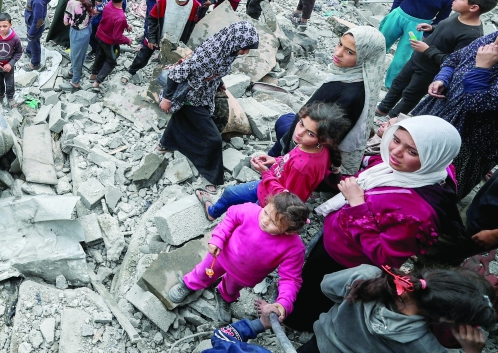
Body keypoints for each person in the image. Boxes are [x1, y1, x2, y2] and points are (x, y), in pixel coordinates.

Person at [283, 116, 463, 332]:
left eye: (412, 152)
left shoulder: (418, 213)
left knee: (316, 291)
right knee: (309, 276)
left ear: (435, 157)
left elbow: (385, 257)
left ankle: (298, 322)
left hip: (344, 260)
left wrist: (357, 203)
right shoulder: (416, 171)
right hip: (337, 238)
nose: (395, 152)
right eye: (396, 140)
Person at [168, 193, 308, 323]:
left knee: (231, 288)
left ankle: (224, 296)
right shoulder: (250, 211)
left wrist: (283, 303)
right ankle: (189, 284)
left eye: (274, 223)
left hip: (245, 276)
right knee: (203, 272)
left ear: (289, 231)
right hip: (221, 256)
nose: (265, 220)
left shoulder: (294, 248)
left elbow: (290, 278)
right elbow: (230, 217)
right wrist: (217, 238)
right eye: (265, 212)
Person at [301, 264, 495, 353]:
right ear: (446, 320)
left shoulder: (367, 275)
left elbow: (327, 287)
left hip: (316, 346)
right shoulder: (426, 347)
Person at [156, 21, 260, 186]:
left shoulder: (228, 49)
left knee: (183, 118)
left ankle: (165, 144)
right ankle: (211, 177)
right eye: (245, 47)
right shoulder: (209, 54)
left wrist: (219, 82)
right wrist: (167, 99)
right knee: (213, 139)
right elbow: (177, 73)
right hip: (191, 96)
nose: (245, 52)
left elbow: (214, 71)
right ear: (236, 41)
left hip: (205, 93)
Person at [272, 28, 386, 177]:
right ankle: (275, 158)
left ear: (365, 57)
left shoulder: (351, 96)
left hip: (306, 143)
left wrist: (291, 153)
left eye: (350, 52)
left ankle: (276, 167)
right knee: (284, 120)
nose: (338, 53)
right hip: (305, 130)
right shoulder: (346, 74)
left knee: (284, 124)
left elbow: (325, 140)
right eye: (340, 44)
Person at [203, 103, 347, 221]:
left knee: (242, 218)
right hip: (270, 184)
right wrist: (275, 160)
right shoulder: (314, 147)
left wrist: (265, 174)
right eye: (301, 123)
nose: (299, 132)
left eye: (310, 133)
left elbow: (289, 200)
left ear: (322, 139)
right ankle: (212, 212)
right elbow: (290, 159)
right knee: (230, 193)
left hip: (272, 202)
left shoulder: (302, 168)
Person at [378, 0, 496, 118]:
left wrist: (427, 50)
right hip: (417, 59)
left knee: (410, 95)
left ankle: (391, 120)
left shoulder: (471, 35)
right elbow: (447, 30)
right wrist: (432, 28)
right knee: (398, 84)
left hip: (429, 71)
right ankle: (382, 108)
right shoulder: (458, 15)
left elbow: (454, 62)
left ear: (474, 7)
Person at [412, 31, 498, 199]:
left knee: (437, 191)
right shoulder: (490, 38)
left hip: (469, 144)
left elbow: (476, 103)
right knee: (409, 160)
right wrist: (442, 79)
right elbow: (453, 59)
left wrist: (482, 67)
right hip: (439, 114)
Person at [379, 0, 457, 88]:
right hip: (397, 17)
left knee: (402, 59)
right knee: (380, 44)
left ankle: (390, 86)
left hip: (418, 28)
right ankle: (362, 71)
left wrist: (428, 33)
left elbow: (441, 18)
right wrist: (393, 13)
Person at [127, 0, 200, 79]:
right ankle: (131, 71)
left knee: (170, 61)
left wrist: (185, 44)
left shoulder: (195, 5)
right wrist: (151, 38)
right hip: (157, 35)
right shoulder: (164, 0)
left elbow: (192, 26)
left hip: (176, 39)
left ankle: (161, 80)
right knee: (143, 55)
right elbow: (152, 19)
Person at [90, 0, 130, 89]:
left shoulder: (107, 5)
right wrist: (127, 40)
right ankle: (97, 81)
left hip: (99, 35)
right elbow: (117, 37)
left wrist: (127, 26)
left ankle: (93, 74)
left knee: (99, 54)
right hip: (108, 42)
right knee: (111, 61)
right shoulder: (121, 17)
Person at [61, 0, 95, 89]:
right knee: (81, 53)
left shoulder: (71, 3)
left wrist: (71, 21)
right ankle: (72, 71)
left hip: (76, 32)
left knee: (75, 56)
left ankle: (75, 81)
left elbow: (65, 22)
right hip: (86, 30)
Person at [24, 0, 52, 71]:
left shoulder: (37, 1)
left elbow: (38, 20)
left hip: (35, 26)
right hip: (31, 23)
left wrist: (31, 32)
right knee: (31, 41)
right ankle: (28, 50)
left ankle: (35, 63)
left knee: (34, 42)